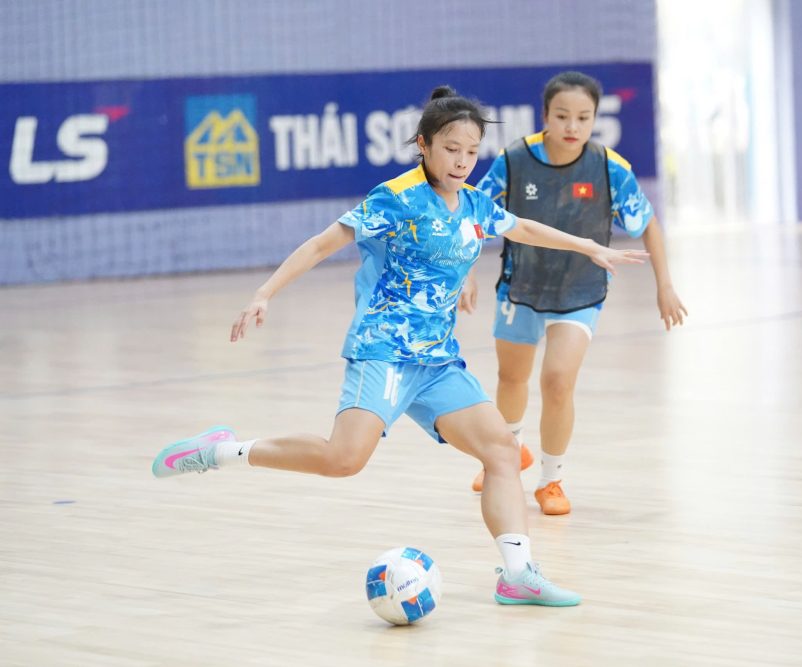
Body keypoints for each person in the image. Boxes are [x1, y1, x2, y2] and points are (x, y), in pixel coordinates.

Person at [150, 86, 648, 607]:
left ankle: (518, 574)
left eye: (471, 151)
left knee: (502, 450)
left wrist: (588, 245)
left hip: (436, 361)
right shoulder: (397, 196)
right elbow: (324, 243)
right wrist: (264, 293)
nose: (461, 161)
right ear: (425, 145)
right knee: (343, 460)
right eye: (451, 148)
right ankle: (220, 450)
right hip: (384, 351)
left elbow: (520, 225)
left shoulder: (475, 203)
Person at [462, 71, 687, 515]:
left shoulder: (609, 168)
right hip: (521, 287)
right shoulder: (514, 160)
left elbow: (648, 224)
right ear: (545, 115)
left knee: (558, 381)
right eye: (562, 115)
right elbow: (476, 214)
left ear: (594, 120)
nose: (572, 126)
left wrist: (665, 284)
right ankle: (509, 455)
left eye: (583, 117)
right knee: (511, 379)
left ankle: (551, 480)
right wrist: (465, 274)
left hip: (580, 292)